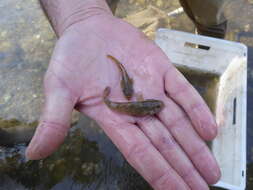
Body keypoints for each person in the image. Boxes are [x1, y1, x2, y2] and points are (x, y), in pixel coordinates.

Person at [26, 0, 222, 189]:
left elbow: (142, 104)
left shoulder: (140, 104)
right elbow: (142, 105)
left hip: (124, 102)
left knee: (209, 14)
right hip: (121, 102)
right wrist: (81, 15)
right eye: (156, 106)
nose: (158, 107)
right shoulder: (139, 106)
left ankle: (210, 35)